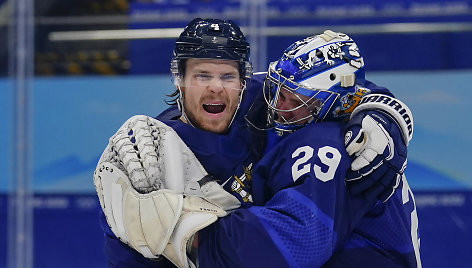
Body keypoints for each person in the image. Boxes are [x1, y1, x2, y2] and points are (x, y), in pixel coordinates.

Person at [93, 18, 413, 267]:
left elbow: (297, 243)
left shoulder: (327, 141)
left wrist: (184, 233)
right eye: (201, 75)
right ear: (178, 78)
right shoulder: (156, 141)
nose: (281, 108)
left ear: (242, 79)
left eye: (227, 76)